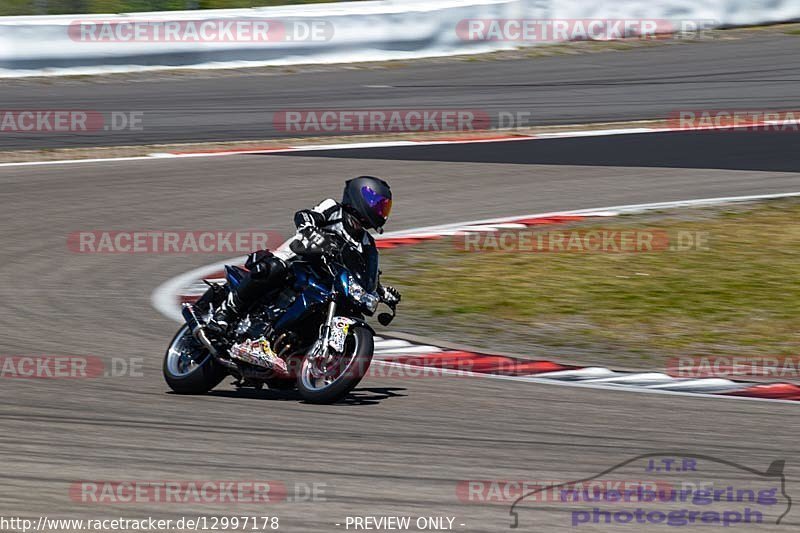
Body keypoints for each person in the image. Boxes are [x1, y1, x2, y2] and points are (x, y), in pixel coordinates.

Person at [205, 176, 401, 332]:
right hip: (301, 256)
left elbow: (365, 272)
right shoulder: (334, 209)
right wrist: (309, 228)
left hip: (326, 277)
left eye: (384, 207)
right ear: (361, 198)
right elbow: (305, 215)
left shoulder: (367, 242)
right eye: (378, 205)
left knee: (348, 307)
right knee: (273, 268)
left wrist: (380, 291)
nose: (381, 212)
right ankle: (227, 313)